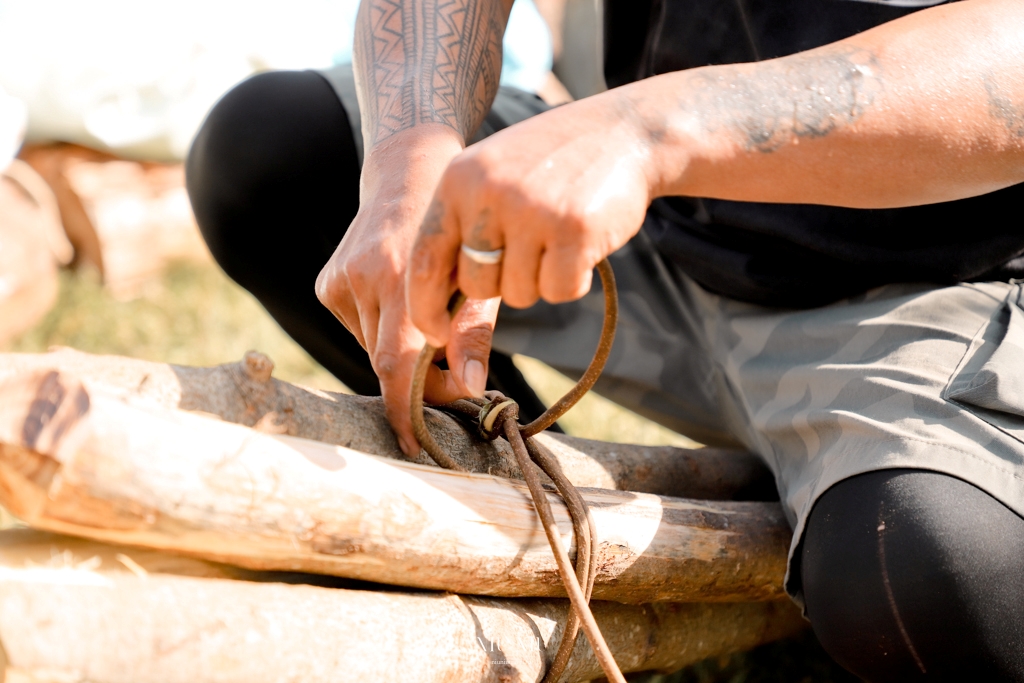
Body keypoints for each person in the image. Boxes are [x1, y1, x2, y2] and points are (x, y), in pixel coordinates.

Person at [185, 0, 1024, 679]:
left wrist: (649, 132)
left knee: (925, 569)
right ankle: (529, 490)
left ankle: (862, 494)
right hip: (661, 228)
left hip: (931, 279)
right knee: (272, 150)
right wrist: (411, 146)